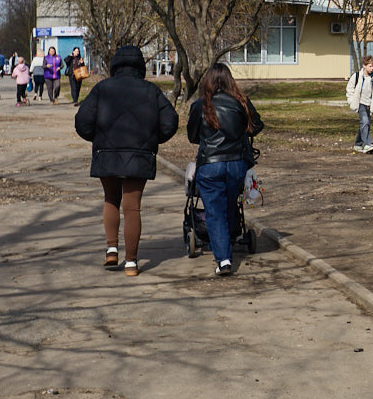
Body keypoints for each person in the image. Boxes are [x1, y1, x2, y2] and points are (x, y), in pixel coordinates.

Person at [74, 45, 179, 277]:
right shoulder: (152, 91)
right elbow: (170, 122)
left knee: (111, 199)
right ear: (140, 66)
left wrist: (99, 139)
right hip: (139, 156)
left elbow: (82, 121)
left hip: (107, 154)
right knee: (132, 207)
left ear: (115, 65)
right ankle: (131, 263)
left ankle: (112, 249)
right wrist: (151, 140)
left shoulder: (102, 89)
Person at [187, 63, 263, 277]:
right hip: (237, 164)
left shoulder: (200, 105)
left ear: (207, 82)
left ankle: (224, 260)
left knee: (214, 211)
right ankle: (229, 238)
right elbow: (257, 126)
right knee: (231, 203)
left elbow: (193, 137)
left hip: (210, 165)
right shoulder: (242, 102)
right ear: (230, 81)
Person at [347, 55, 373, 153]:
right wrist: (352, 101)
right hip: (360, 103)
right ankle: (368, 144)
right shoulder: (356, 76)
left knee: (365, 124)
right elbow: (350, 89)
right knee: (365, 122)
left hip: (369, 103)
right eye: (370, 66)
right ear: (364, 65)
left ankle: (358, 144)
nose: (372, 68)